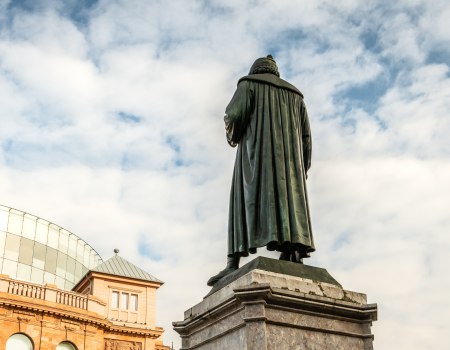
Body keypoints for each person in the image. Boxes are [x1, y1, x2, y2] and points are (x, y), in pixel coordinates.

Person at [207, 55, 315, 287]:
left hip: (255, 157)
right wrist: (301, 167)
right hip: (290, 167)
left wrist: (233, 133)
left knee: (243, 202)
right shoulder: (296, 96)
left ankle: (232, 263)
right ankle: (292, 252)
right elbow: (306, 137)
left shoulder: (248, 84)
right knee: (287, 204)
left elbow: (234, 115)